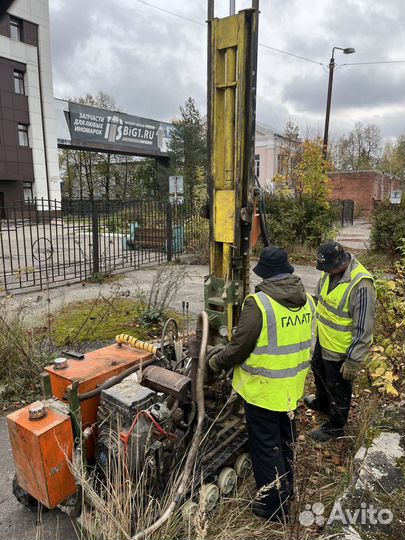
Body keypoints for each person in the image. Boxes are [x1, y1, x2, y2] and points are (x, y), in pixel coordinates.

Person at [208, 246, 315, 521]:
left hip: (263, 391)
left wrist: (215, 362)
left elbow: (239, 348)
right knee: (285, 440)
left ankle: (273, 508)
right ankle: (288, 490)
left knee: (266, 449)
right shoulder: (307, 300)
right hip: (292, 388)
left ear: (264, 274)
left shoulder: (260, 304)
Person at [305, 241, 376, 443]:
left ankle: (335, 427)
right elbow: (321, 300)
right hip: (323, 339)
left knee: (338, 386)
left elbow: (363, 329)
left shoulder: (361, 285)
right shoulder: (329, 273)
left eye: (328, 268)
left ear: (341, 261)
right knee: (318, 371)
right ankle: (322, 403)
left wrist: (353, 361)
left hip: (341, 350)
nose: (325, 272)